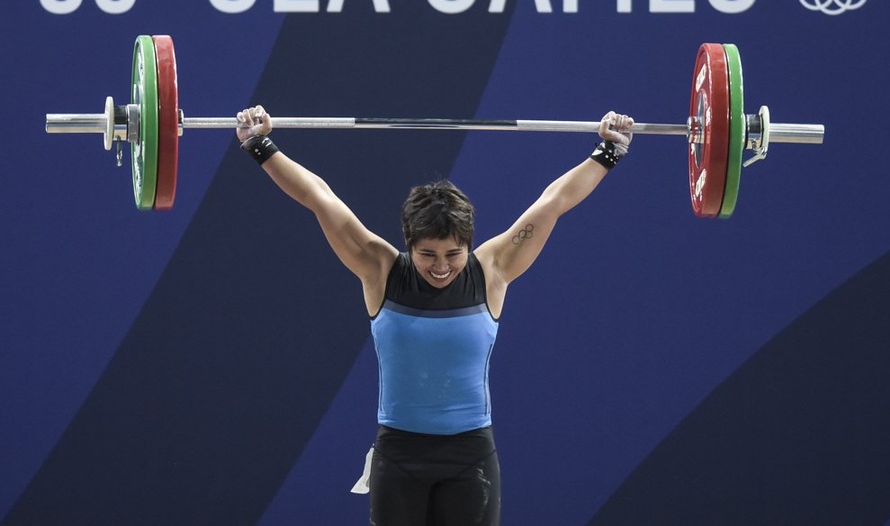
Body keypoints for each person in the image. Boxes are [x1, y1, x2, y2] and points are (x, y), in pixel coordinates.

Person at [235, 106, 634, 526]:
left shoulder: (492, 269)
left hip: (471, 459)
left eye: (452, 255)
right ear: (408, 244)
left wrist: (609, 151)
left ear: (469, 244)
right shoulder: (380, 269)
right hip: (399, 456)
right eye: (427, 254)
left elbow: (553, 203)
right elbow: (319, 198)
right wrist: (260, 144)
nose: (441, 266)